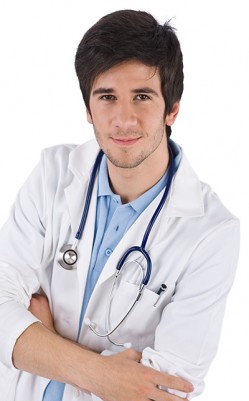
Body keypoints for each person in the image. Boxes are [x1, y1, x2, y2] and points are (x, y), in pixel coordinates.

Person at [0, 9, 240, 401]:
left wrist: (39, 341)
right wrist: (101, 374)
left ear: (172, 109)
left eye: (142, 97)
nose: (123, 120)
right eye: (107, 97)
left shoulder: (212, 233)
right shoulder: (52, 176)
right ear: (88, 109)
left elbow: (163, 391)